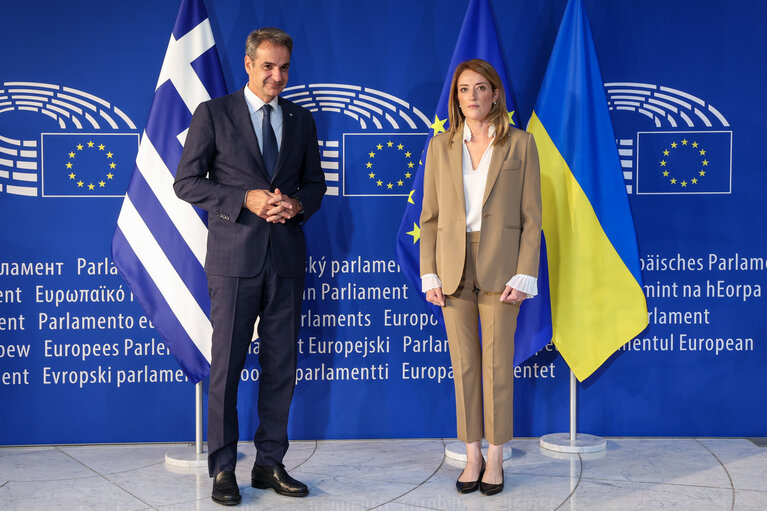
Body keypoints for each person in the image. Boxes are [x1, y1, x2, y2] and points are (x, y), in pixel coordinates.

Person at [174, 27, 326, 506]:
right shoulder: (213, 114)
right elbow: (186, 183)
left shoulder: (301, 121)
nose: (277, 76)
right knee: (227, 367)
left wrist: (295, 206)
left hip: (285, 259)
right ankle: (223, 469)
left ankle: (269, 464)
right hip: (233, 259)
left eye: (283, 67)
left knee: (282, 365)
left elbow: (315, 186)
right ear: (248, 64)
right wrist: (245, 199)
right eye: (268, 66)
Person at [420, 59, 541, 496]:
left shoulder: (521, 144)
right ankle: (471, 455)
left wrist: (526, 272)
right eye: (463, 89)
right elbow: (429, 217)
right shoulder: (440, 146)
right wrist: (428, 272)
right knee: (465, 366)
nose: (472, 96)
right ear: (456, 98)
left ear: (495, 94)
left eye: (480, 88)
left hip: (501, 264)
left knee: (496, 366)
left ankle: (495, 457)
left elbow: (531, 217)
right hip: (451, 265)